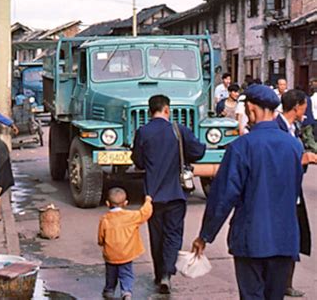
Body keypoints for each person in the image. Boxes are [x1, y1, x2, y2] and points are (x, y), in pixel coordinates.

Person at [192, 84, 304, 300]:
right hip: (285, 239)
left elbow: (223, 197)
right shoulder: (294, 146)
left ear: (251, 108)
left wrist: (205, 235)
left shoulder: (241, 147)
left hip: (251, 239)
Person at [131, 95, 205, 294]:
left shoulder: (143, 132)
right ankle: (167, 274)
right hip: (175, 193)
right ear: (166, 109)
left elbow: (138, 161)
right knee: (173, 235)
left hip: (152, 196)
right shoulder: (178, 130)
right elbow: (199, 152)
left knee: (157, 235)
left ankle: (158, 274)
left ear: (150, 111)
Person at [276, 89, 316, 297]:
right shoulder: (278, 129)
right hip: (281, 193)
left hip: (295, 190)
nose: (306, 111)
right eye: (304, 107)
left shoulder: (295, 128)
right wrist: (303, 158)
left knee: (295, 237)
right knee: (284, 238)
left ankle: (286, 283)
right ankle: (278, 283)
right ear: (296, 107)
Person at [98, 188, 153, 300]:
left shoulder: (105, 219)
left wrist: (101, 243)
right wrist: (148, 201)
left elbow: (101, 237)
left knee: (110, 274)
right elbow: (145, 213)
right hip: (127, 254)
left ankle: (109, 290)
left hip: (110, 255)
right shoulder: (131, 216)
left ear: (107, 203)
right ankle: (126, 292)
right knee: (126, 273)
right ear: (126, 203)